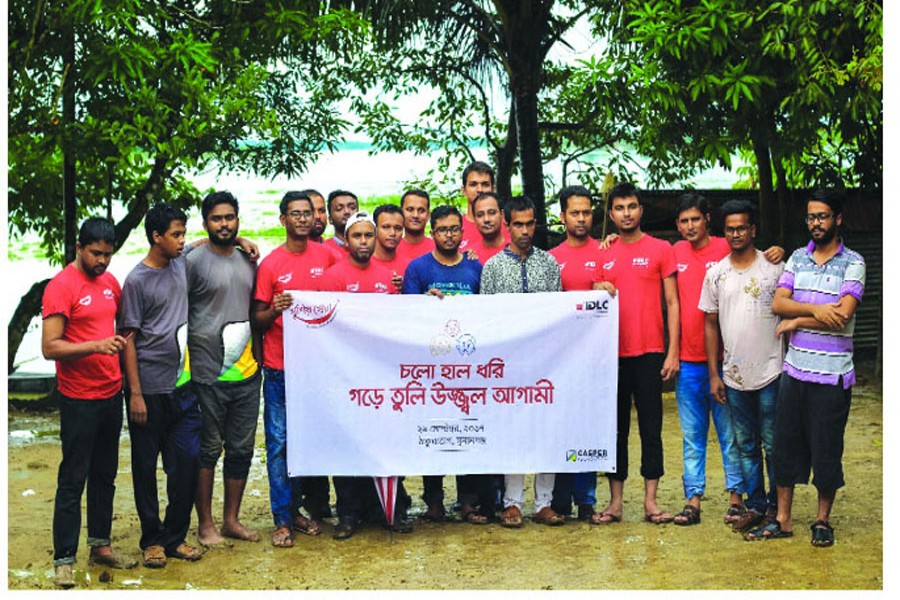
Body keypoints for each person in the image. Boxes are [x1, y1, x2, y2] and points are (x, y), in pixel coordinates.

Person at [747, 190, 865, 546]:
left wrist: (797, 322)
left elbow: (842, 316)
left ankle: (822, 520)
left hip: (833, 375)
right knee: (786, 447)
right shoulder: (797, 258)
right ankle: (782, 519)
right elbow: (779, 304)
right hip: (794, 372)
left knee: (826, 448)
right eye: (812, 217)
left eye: (823, 216)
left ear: (838, 219)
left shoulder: (854, 263)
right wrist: (815, 311)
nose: (816, 223)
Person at [42, 217, 137, 587]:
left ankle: (100, 544)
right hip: (78, 398)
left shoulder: (111, 283)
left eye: (108, 254)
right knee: (73, 478)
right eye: (95, 253)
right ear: (80, 248)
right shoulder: (61, 286)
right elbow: (50, 347)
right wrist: (96, 346)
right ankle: (63, 557)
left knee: (105, 475)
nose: (102, 261)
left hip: (110, 393)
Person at [118, 203, 204, 569]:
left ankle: (175, 537)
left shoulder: (180, 262)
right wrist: (135, 393)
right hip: (148, 390)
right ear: (156, 237)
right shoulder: (136, 280)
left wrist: (245, 239)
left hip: (183, 387)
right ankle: (151, 540)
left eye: (184, 233)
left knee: (186, 463)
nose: (182, 241)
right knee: (144, 467)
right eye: (176, 235)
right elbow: (129, 339)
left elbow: (203, 243)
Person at [318, 211, 412, 539]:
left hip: (383, 379)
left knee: (388, 443)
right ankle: (347, 513)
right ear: (346, 240)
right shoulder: (332, 277)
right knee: (346, 443)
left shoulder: (390, 277)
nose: (363, 242)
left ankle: (393, 509)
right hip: (346, 378)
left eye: (368, 236)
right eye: (356, 236)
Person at [591, 182, 678, 525]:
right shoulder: (602, 252)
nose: (626, 213)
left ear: (641, 210)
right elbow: (594, 298)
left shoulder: (660, 249)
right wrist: (598, 286)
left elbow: (672, 302)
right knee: (615, 429)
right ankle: (615, 503)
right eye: (619, 208)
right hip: (611, 355)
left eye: (632, 206)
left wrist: (672, 352)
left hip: (650, 352)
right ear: (610, 214)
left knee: (651, 428)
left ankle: (651, 502)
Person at [253, 192, 337, 548]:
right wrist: (274, 309)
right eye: (295, 214)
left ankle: (299, 511)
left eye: (308, 213)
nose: (303, 219)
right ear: (282, 219)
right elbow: (256, 318)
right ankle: (281, 519)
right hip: (279, 368)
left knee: (309, 444)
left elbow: (352, 296)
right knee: (279, 446)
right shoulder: (270, 264)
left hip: (320, 369)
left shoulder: (330, 256)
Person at [697, 199, 785, 534]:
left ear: (753, 230)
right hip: (733, 376)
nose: (736, 234)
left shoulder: (774, 267)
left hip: (772, 371)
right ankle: (756, 505)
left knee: (773, 443)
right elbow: (709, 323)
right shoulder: (716, 274)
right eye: (730, 229)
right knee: (745, 444)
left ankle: (779, 508)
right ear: (724, 231)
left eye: (742, 228)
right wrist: (714, 373)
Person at [402, 205, 493, 524]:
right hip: (432, 369)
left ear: (462, 232)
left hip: (468, 368)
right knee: (434, 433)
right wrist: (426, 302)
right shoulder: (418, 268)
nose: (449, 235)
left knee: (466, 432)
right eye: (442, 230)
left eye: (455, 229)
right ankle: (434, 501)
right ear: (432, 233)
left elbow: (489, 316)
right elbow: (407, 318)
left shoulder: (475, 268)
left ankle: (468, 502)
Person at [480, 196, 567, 527]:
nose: (526, 230)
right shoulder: (492, 268)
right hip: (509, 366)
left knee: (547, 428)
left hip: (546, 363)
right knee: (512, 429)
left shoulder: (548, 264)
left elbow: (558, 316)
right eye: (519, 224)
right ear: (507, 224)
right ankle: (512, 502)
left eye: (531, 223)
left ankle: (543, 502)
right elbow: (486, 320)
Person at [187, 191, 262, 547]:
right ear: (205, 223)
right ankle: (206, 524)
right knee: (207, 450)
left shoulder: (248, 259)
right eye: (216, 219)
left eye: (230, 217)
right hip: (205, 372)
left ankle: (232, 519)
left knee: (241, 450)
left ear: (238, 219)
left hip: (247, 372)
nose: (224, 224)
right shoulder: (192, 260)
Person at [670, 193, 746, 527]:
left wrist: (778, 252)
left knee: (730, 434)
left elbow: (759, 260)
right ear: (678, 225)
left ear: (707, 219)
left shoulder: (727, 248)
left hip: (726, 362)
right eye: (684, 221)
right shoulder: (674, 253)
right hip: (688, 362)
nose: (690, 226)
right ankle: (693, 499)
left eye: (695, 219)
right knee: (692, 436)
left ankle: (736, 498)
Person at [547, 185, 606, 523]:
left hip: (595, 359)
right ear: (562, 216)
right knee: (560, 427)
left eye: (586, 212)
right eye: (574, 213)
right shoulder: (551, 258)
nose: (581, 218)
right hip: (560, 360)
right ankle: (560, 497)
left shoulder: (605, 252)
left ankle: (586, 498)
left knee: (588, 426)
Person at [458, 161, 510, 251]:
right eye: (473, 184)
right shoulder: (456, 228)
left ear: (493, 189)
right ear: (464, 190)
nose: (480, 190)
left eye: (485, 184)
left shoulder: (508, 226)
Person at [372, 203, 411, 291]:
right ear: (374, 229)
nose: (392, 233)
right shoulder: (362, 263)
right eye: (386, 227)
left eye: (398, 228)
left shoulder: (410, 266)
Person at [465, 192, 508, 264]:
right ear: (475, 220)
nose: (486, 219)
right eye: (480, 215)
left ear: (502, 215)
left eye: (491, 213)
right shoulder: (470, 256)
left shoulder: (515, 249)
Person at [395, 189, 435, 263]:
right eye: (410, 210)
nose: (415, 215)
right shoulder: (392, 248)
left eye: (421, 210)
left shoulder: (437, 249)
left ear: (428, 215)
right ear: (401, 213)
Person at [323, 189, 359, 255]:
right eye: (339, 208)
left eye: (352, 207)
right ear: (330, 219)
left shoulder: (370, 247)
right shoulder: (323, 249)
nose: (347, 212)